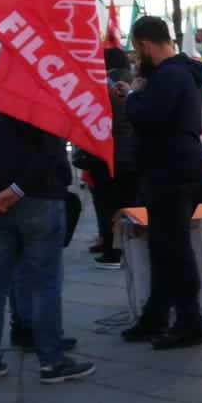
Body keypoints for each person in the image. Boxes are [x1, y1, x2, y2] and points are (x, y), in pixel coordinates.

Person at [0, 98, 95, 385]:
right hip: (39, 198)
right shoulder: (37, 93)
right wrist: (16, 189)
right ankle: (51, 360)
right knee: (44, 284)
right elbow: (50, 150)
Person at [120, 15, 202, 349]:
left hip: (172, 172)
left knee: (174, 249)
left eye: (136, 49)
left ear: (144, 44)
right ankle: (156, 316)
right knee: (163, 248)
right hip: (172, 169)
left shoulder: (170, 76)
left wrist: (133, 97)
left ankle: (189, 321)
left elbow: (149, 116)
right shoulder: (177, 73)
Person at [80, 46, 140, 268]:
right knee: (128, 204)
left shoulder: (101, 87)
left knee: (107, 205)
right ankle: (131, 247)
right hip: (132, 155)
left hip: (106, 156)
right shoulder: (136, 83)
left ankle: (111, 251)